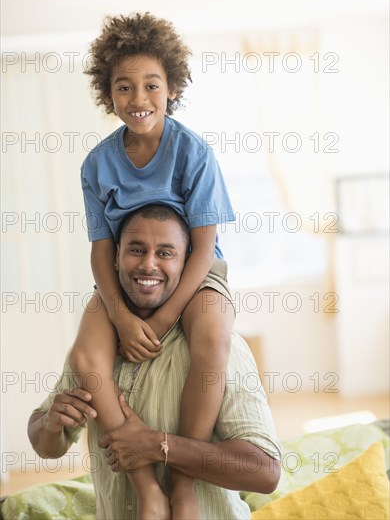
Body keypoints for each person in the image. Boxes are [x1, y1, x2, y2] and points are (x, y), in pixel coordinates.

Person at [68, 12, 236, 519]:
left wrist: (162, 320)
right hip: (126, 278)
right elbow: (102, 251)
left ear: (172, 89)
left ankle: (184, 482)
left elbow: (205, 248)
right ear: (108, 93)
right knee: (85, 358)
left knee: (211, 339)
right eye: (124, 87)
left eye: (151, 85)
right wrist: (121, 316)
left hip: (194, 274)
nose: (138, 99)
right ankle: (147, 489)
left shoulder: (194, 154)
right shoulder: (96, 165)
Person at [28, 205, 282, 520]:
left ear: (186, 264)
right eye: (137, 250)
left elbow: (265, 471)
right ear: (116, 257)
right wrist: (51, 424)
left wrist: (158, 446)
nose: (149, 265)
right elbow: (46, 445)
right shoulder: (93, 350)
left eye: (165, 253)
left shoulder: (218, 349)